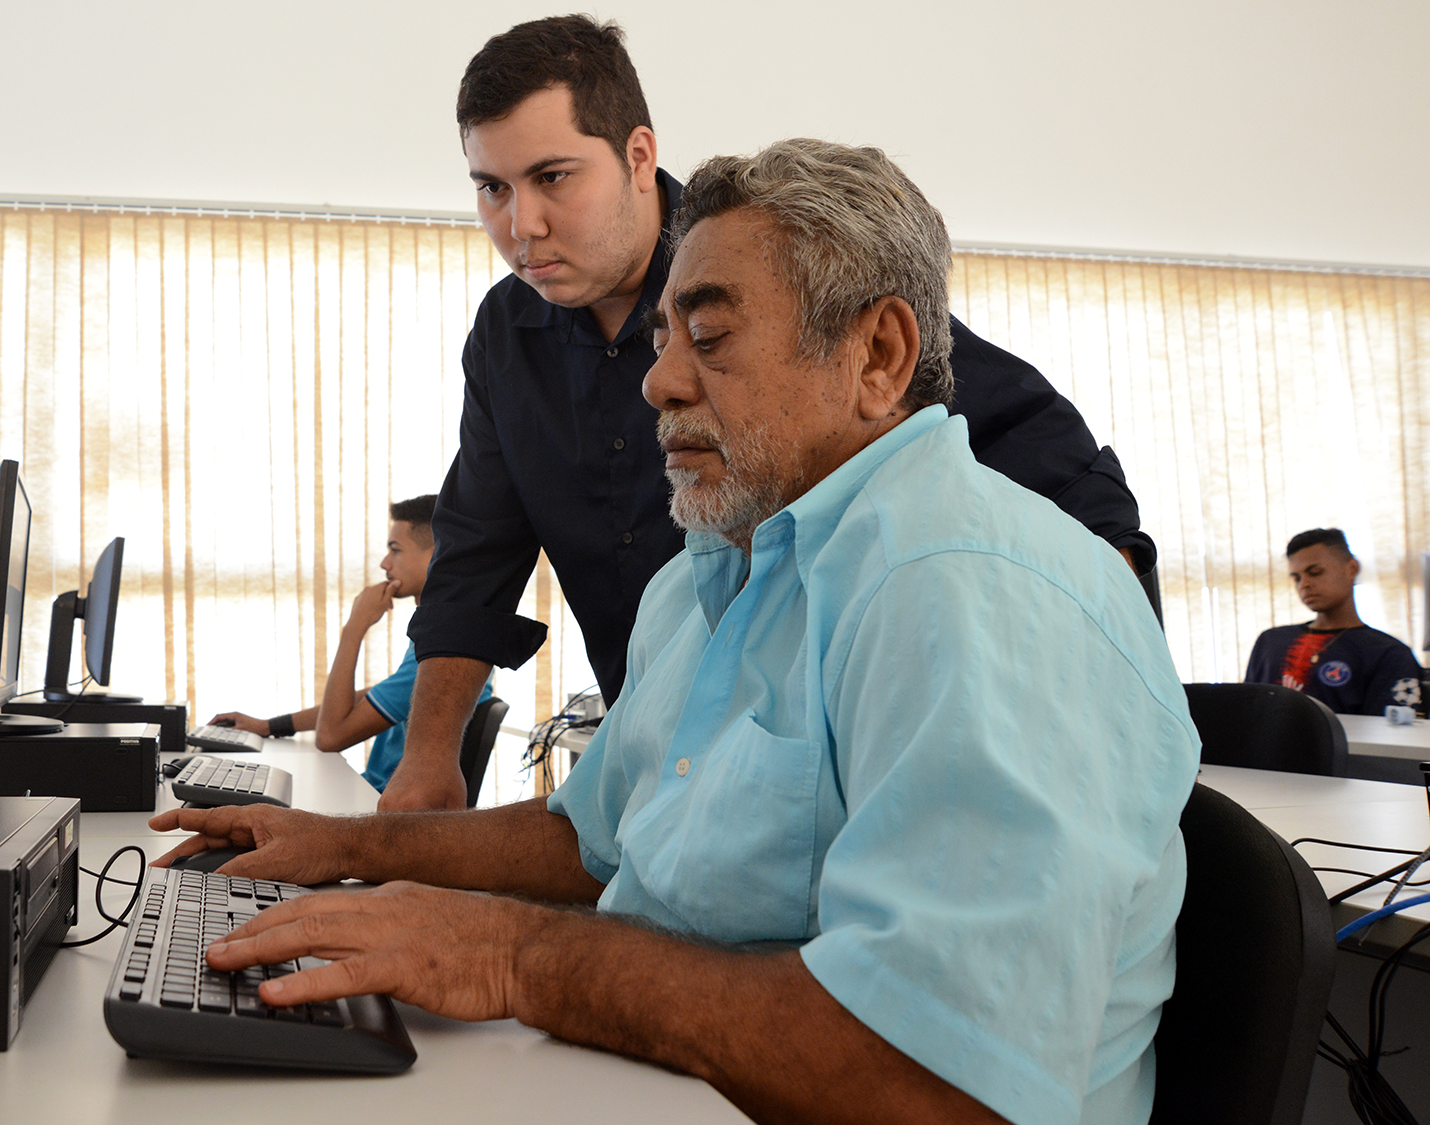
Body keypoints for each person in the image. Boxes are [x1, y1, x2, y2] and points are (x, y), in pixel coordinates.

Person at [152, 142, 1197, 1125]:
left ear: (877, 355)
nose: (656, 381)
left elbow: (939, 1078)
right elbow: (592, 839)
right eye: (661, 339)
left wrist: (515, 958)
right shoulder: (709, 577)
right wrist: (345, 846)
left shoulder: (970, 592)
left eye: (710, 337)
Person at [384, 15, 1157, 811]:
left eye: (553, 177)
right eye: (492, 188)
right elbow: (477, 552)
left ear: (638, 156)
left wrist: (1078, 725)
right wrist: (429, 758)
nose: (522, 225)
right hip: (656, 761)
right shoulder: (506, 337)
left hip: (813, 773)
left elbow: (1057, 477)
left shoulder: (760, 258)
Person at [207, 496, 490, 791]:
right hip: (375, 794)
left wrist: (354, 627)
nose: (385, 563)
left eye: (395, 550)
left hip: (385, 803)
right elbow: (369, 699)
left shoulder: (447, 651)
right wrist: (268, 726)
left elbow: (331, 737)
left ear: (438, 553)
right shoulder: (446, 634)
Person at [1244, 527, 1423, 716]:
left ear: (1352, 569)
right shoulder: (1270, 641)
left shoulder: (1388, 653)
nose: (1304, 584)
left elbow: (1391, 732)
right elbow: (1246, 714)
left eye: (1315, 572)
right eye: (1297, 578)